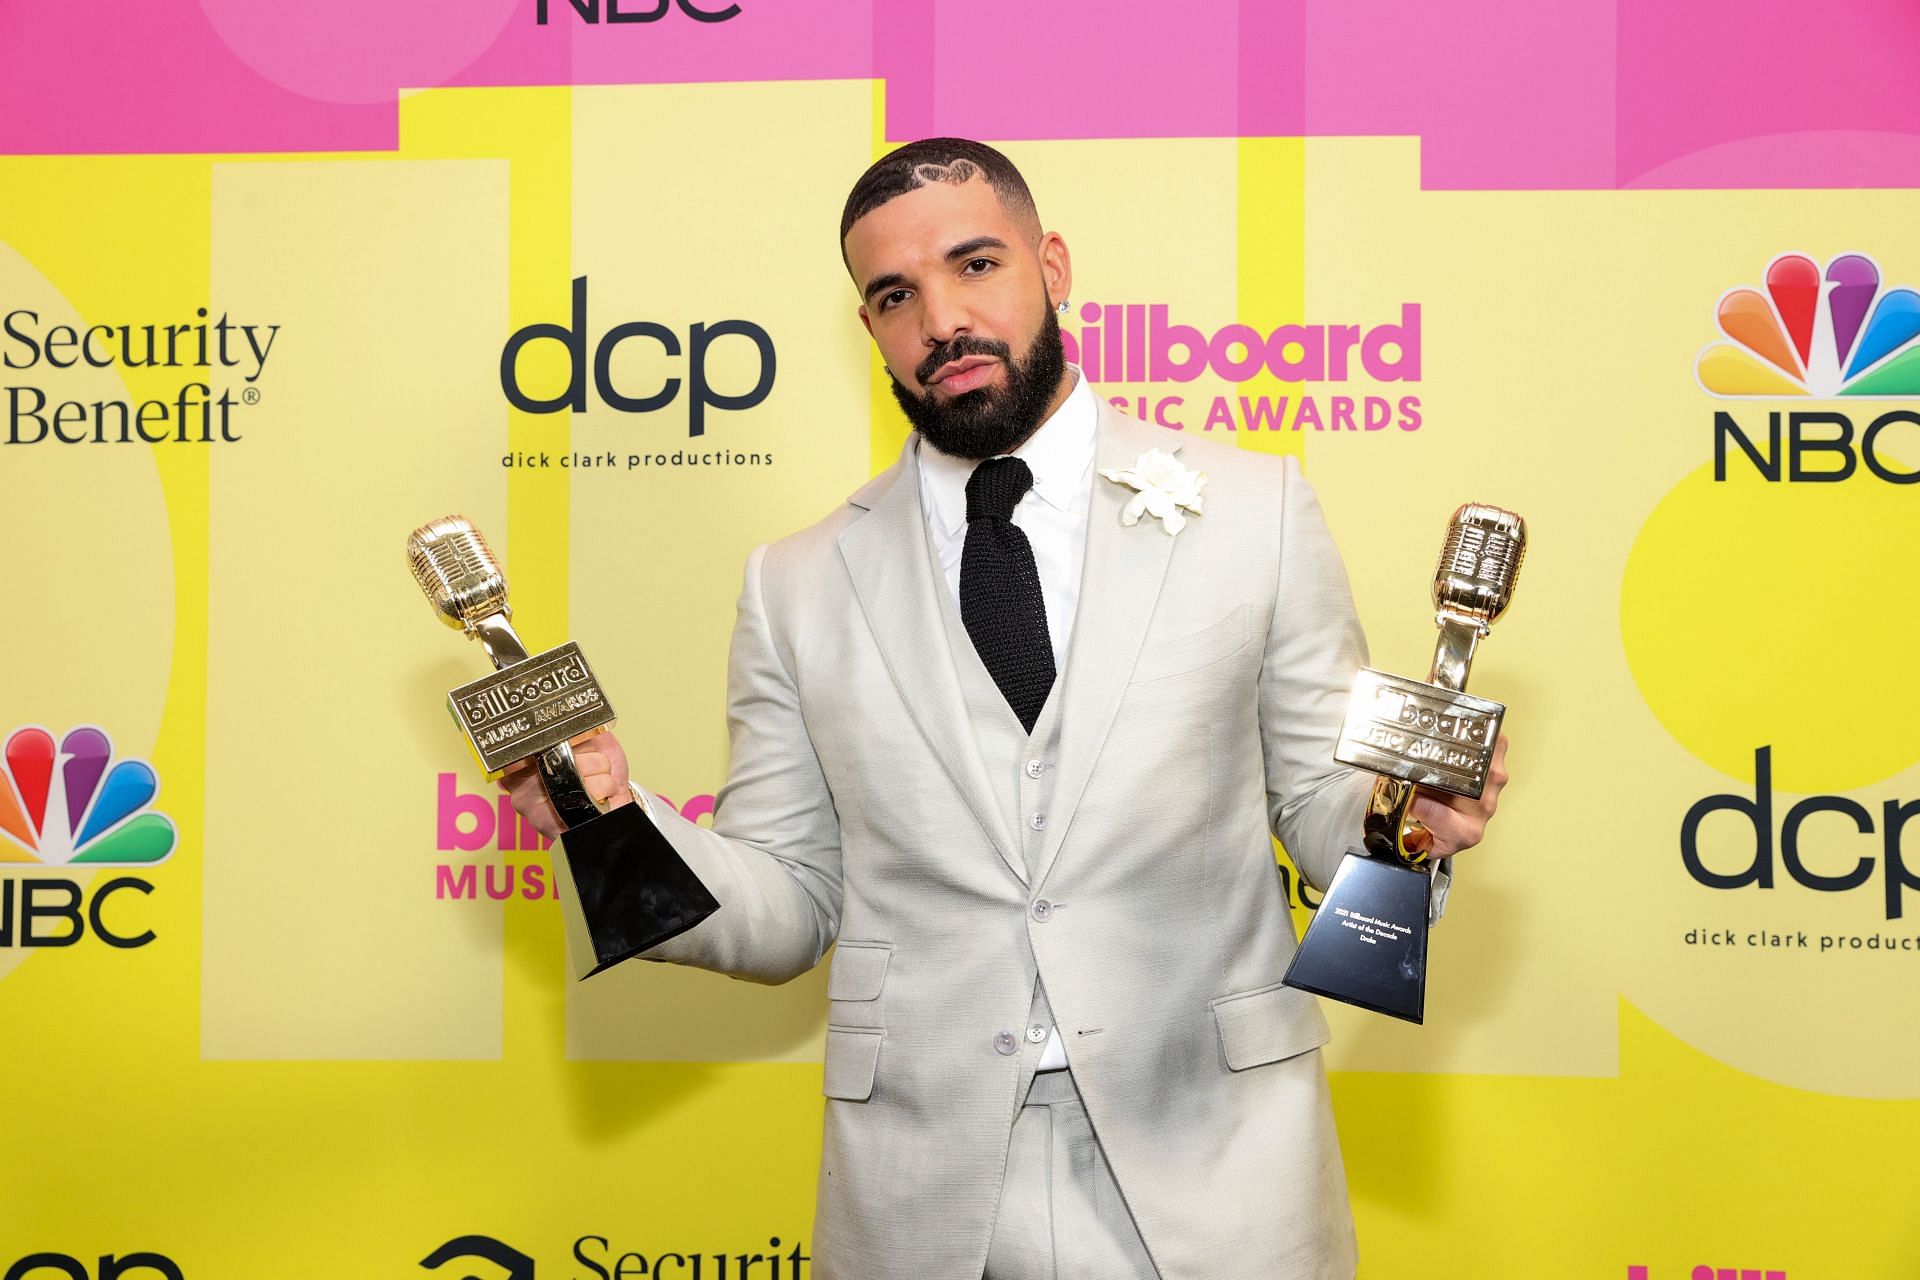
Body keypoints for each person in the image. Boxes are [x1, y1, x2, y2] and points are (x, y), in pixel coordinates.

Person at [501, 138, 1509, 1280]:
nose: (942, 318)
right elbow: (785, 905)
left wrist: (1409, 819)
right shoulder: (793, 583)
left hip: (1219, 1174)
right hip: (922, 1201)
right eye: (895, 295)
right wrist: (607, 823)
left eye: (975, 264)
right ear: (870, 326)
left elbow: (1330, 817)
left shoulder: (1256, 510)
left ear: (1054, 265)